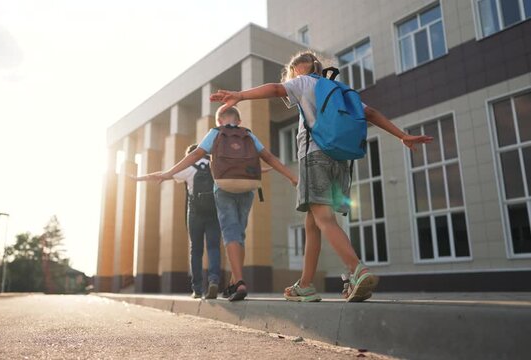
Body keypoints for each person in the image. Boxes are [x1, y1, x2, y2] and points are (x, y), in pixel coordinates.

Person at [210, 51, 433, 302]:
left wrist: (240, 95)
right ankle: (305, 284)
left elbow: (274, 89)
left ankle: (357, 269)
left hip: (314, 157)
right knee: (312, 223)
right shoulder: (338, 88)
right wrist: (401, 135)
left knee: (324, 219)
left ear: (296, 70)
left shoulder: (303, 82)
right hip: (339, 160)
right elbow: (369, 113)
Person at [137, 106, 297, 301]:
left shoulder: (215, 133)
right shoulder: (247, 134)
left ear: (219, 121)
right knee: (239, 234)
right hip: (248, 186)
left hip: (224, 187)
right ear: (238, 120)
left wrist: (169, 173)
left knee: (230, 232)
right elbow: (269, 157)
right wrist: (291, 176)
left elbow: (195, 155)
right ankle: (234, 280)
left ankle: (238, 282)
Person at [133, 144, 221, 299]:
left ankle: (198, 288)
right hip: (214, 211)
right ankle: (214, 280)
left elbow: (163, 174)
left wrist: (139, 178)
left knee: (196, 250)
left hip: (195, 213)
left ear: (189, 156)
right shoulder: (214, 164)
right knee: (213, 247)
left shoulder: (187, 168)